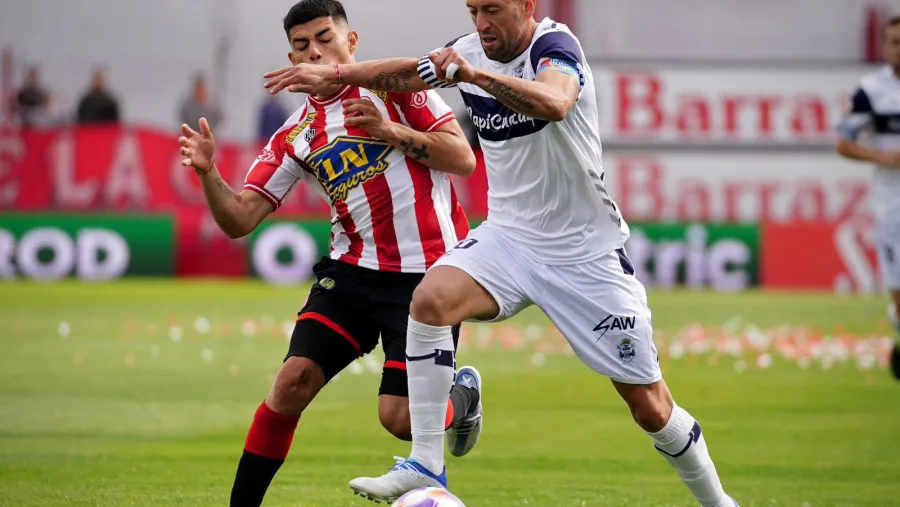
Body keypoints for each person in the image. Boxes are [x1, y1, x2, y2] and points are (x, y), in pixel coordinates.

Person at [263, 0, 739, 505]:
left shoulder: (555, 48)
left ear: (526, 6)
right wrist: (337, 73)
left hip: (584, 253)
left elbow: (555, 103)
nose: (481, 24)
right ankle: (426, 463)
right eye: (473, 11)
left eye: (492, 10)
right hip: (509, 238)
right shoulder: (467, 50)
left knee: (649, 406)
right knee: (429, 301)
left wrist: (474, 75)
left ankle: (717, 502)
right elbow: (405, 72)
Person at [178, 2, 483, 506]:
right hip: (351, 273)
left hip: (426, 278)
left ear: (351, 42)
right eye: (301, 45)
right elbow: (239, 218)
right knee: (290, 383)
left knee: (399, 420)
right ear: (291, 56)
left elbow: (463, 158)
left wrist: (391, 133)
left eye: (324, 38)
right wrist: (209, 172)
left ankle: (462, 395)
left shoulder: (397, 88)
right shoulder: (295, 134)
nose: (314, 51)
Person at [837, 15, 900, 380]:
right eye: (893, 41)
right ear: (884, 46)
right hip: (892, 203)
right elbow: (843, 143)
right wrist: (883, 158)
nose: (898, 48)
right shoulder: (870, 90)